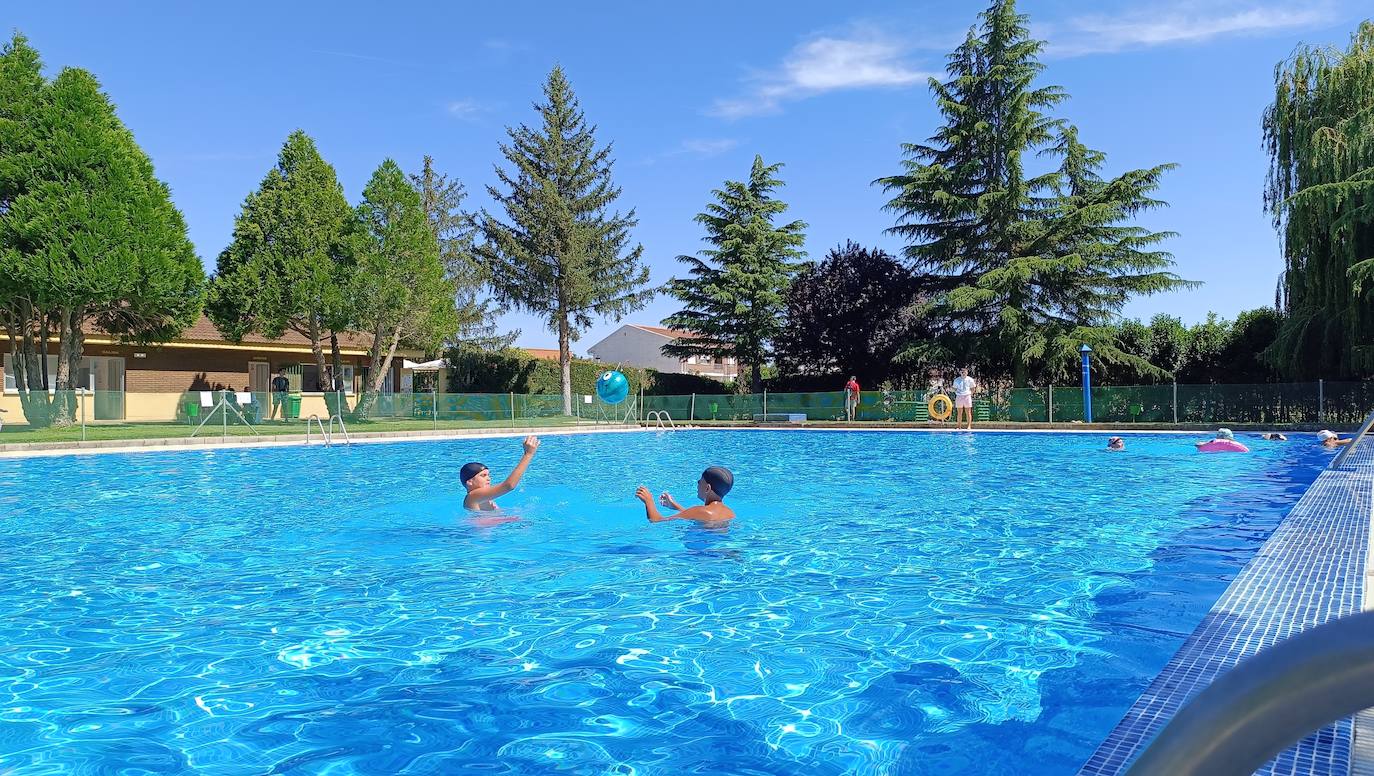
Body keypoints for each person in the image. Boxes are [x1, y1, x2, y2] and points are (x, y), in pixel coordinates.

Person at [462, 435, 540, 511]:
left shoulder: (486, 499)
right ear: (469, 482)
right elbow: (509, 486)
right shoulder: (472, 496)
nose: (488, 478)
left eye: (488, 475)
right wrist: (528, 454)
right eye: (483, 475)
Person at [636, 466, 735, 523]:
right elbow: (699, 516)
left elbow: (656, 521)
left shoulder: (701, 511)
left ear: (707, 488)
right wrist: (675, 505)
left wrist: (648, 500)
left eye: (700, 481)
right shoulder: (730, 513)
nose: (698, 482)